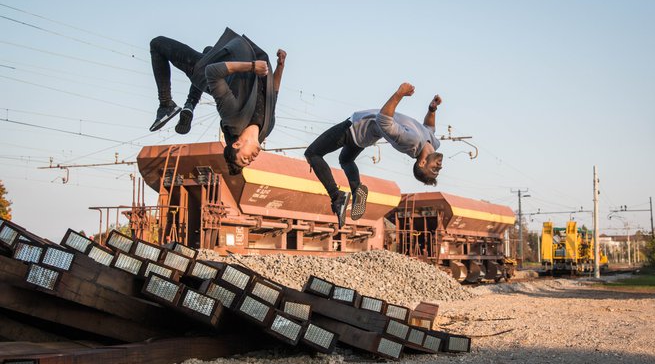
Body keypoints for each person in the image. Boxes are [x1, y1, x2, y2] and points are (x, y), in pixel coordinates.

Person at [149, 28, 287, 174]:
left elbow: (212, 73)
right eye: (248, 162)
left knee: (157, 44)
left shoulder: (233, 118)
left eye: (244, 159)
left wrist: (252, 66)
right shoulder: (267, 128)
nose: (251, 160)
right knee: (209, 50)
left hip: (205, 73)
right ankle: (190, 105)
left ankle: (166, 103)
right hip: (229, 68)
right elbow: (273, 93)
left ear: (237, 144)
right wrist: (280, 66)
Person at [304, 82, 443, 227]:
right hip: (364, 137)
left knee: (313, 154)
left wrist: (399, 94)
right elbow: (429, 127)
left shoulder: (411, 141)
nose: (439, 166)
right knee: (345, 160)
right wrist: (432, 109)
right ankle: (357, 190)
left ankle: (337, 197)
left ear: (422, 163)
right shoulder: (433, 143)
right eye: (438, 169)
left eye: (434, 169)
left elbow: (383, 121)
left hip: (355, 128)